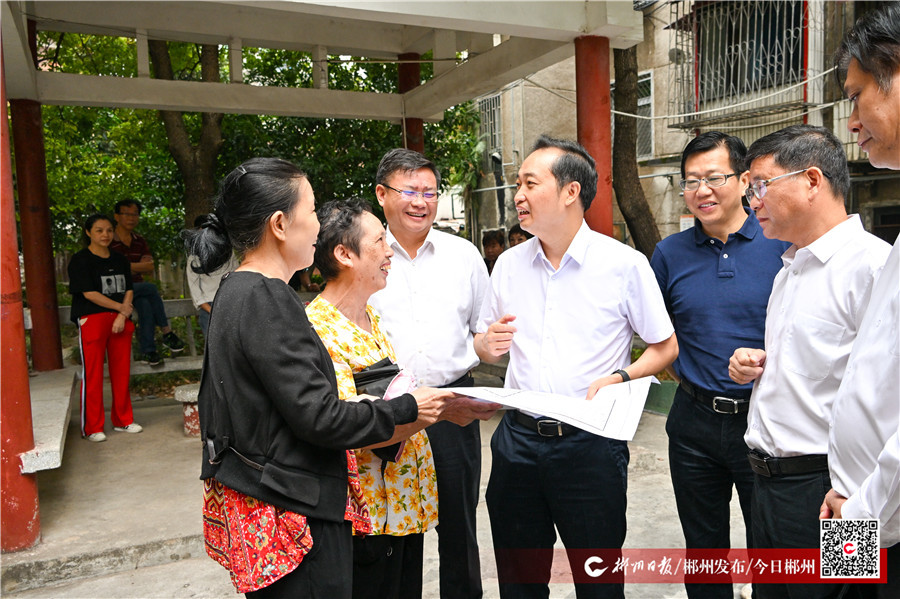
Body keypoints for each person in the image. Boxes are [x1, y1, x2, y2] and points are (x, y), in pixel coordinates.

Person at [185, 157, 461, 598]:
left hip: (272, 504)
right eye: (312, 210)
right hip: (292, 516)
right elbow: (320, 418)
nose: (318, 225)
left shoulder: (236, 291)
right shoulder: (267, 297)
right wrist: (410, 407)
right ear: (280, 224)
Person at [476, 135, 678, 599]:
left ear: (571, 191)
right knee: (519, 580)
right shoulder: (508, 265)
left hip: (590, 447)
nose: (518, 196)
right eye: (518, 185)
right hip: (517, 443)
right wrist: (487, 344)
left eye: (530, 184)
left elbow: (665, 346)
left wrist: (621, 377)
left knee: (597, 580)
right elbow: (487, 348)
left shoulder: (623, 265)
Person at [728, 125, 891, 599]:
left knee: (846, 594)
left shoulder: (874, 267)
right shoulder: (790, 269)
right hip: (767, 487)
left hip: (835, 493)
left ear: (812, 180)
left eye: (760, 186)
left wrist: (859, 502)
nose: (752, 202)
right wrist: (756, 366)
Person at [306, 198, 497, 599]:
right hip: (366, 515)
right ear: (345, 255)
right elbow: (349, 427)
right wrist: (438, 410)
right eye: (379, 241)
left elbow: (389, 399)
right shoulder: (317, 331)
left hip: (402, 506)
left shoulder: (369, 318)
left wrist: (450, 408)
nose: (390, 251)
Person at [650, 132, 790, 599]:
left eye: (714, 177)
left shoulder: (784, 244)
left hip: (769, 422)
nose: (701, 190)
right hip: (694, 423)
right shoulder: (669, 254)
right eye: (691, 181)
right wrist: (693, 380)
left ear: (745, 181)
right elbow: (661, 337)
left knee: (772, 551)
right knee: (704, 551)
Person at [369, 148, 490, 599]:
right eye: (409, 191)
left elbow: (482, 329)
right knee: (396, 532)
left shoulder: (463, 255)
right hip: (389, 410)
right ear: (382, 194)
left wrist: (486, 347)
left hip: (453, 406)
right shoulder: (365, 254)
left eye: (430, 192)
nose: (421, 202)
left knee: (459, 525)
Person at [819, 4, 900, 597]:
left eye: (856, 96)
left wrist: (860, 515)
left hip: (876, 516)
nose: (850, 121)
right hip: (855, 502)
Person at [68, 213, 142, 442]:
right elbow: (89, 293)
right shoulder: (80, 260)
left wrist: (122, 314)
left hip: (120, 319)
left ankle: (123, 420)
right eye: (99, 230)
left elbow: (129, 288)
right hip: (92, 318)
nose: (105, 235)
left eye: (109, 230)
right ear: (88, 232)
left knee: (121, 372)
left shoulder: (120, 259)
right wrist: (121, 308)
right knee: (93, 374)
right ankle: (93, 427)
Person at [110, 199, 185, 366]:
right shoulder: (108, 240)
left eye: (135, 214)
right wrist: (135, 267)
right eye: (127, 214)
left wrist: (125, 267)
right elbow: (112, 270)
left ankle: (148, 351)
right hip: (116, 289)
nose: (131, 218)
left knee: (145, 305)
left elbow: (149, 267)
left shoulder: (139, 240)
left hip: (136, 291)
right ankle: (167, 332)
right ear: (116, 216)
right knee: (150, 288)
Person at [186, 215, 240, 337]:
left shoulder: (228, 254)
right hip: (208, 310)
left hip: (229, 304)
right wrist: (213, 312)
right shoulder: (194, 259)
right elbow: (197, 295)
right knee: (213, 345)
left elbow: (237, 277)